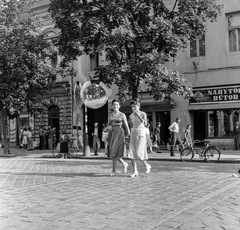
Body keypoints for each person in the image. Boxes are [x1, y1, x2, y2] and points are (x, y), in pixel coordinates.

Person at [128, 98, 151, 177]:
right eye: (132, 107)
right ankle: (135, 171)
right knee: (131, 153)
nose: (133, 108)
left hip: (141, 133)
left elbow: (145, 124)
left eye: (134, 106)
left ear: (138, 106)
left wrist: (137, 115)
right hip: (134, 133)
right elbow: (131, 125)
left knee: (139, 153)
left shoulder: (143, 114)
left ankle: (146, 165)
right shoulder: (130, 115)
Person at [107, 99, 130, 176]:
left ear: (119, 106)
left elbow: (126, 126)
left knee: (118, 152)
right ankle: (123, 164)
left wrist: (128, 135)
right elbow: (108, 125)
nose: (115, 106)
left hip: (120, 134)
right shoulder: (110, 115)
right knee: (113, 152)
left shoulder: (122, 115)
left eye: (117, 105)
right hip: (112, 134)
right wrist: (108, 128)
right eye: (114, 105)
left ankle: (114, 170)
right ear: (112, 106)